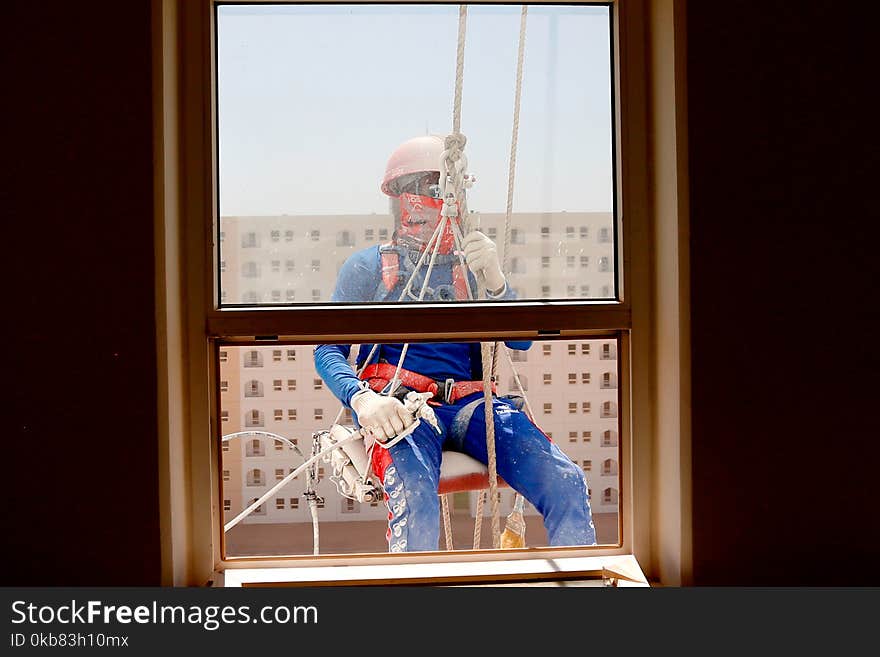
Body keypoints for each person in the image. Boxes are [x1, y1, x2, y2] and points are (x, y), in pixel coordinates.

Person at [314, 135, 596, 552]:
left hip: (470, 406)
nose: (447, 202)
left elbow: (520, 342)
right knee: (416, 502)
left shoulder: (473, 267)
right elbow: (326, 347)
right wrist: (363, 401)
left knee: (566, 481)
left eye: (453, 191)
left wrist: (497, 283)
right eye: (434, 190)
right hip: (401, 407)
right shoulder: (371, 268)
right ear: (404, 198)